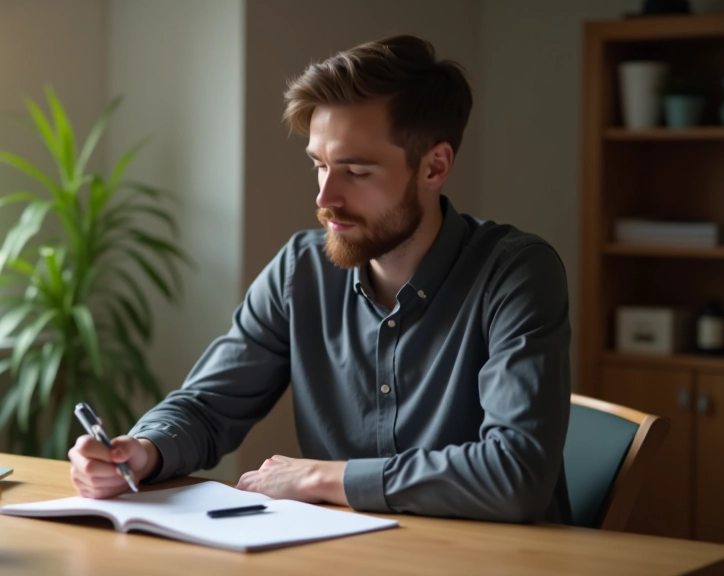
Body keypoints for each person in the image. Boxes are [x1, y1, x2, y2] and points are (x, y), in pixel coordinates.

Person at [69, 34, 571, 523]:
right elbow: (206, 405)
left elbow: (516, 473)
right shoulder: (300, 270)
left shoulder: (516, 274)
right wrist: (145, 450)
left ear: (434, 166)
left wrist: (324, 478)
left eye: (355, 172)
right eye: (319, 165)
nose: (326, 197)